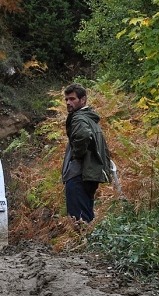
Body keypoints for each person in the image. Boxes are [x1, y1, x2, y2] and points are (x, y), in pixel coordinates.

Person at [61, 83, 112, 222]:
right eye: (66, 99)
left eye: (72, 99)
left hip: (79, 174)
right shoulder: (90, 118)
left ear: (83, 100)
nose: (68, 102)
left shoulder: (78, 118)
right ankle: (89, 242)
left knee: (78, 220)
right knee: (86, 217)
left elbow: (83, 135)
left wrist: (77, 155)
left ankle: (82, 242)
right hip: (88, 175)